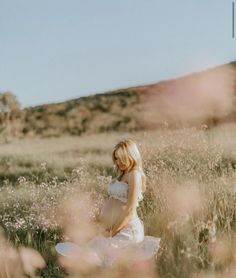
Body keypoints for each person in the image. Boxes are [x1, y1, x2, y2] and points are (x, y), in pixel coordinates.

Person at [55, 139, 161, 268]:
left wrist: (112, 232)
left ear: (131, 156)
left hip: (126, 230)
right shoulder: (123, 174)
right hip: (114, 228)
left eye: (122, 158)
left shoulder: (134, 174)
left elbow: (130, 209)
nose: (118, 162)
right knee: (89, 252)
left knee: (97, 256)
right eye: (116, 158)